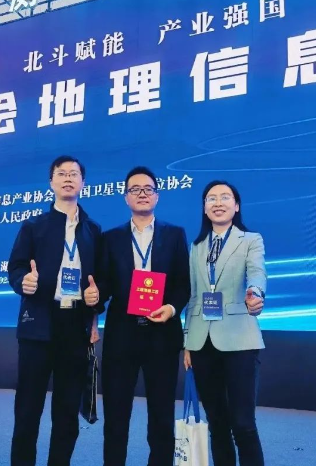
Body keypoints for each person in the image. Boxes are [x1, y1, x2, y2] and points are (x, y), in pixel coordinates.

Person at [8, 155, 103, 466]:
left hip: (74, 327)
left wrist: (96, 301)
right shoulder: (33, 226)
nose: (68, 178)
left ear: (83, 183)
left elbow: (100, 281)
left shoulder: (93, 230)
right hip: (38, 324)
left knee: (66, 413)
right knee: (27, 410)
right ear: (51, 182)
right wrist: (24, 281)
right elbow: (16, 267)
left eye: (74, 174)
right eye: (61, 173)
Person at [94, 166, 191, 466]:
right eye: (135, 189)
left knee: (161, 415)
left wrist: (171, 308)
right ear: (126, 198)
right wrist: (95, 296)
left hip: (162, 334)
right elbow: (105, 284)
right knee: (116, 415)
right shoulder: (110, 238)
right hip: (121, 335)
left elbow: (183, 283)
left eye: (148, 189)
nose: (142, 194)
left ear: (157, 196)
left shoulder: (175, 235)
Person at [183, 180, 267, 466]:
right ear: (204, 208)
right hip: (201, 342)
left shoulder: (250, 240)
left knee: (243, 423)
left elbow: (257, 273)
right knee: (217, 422)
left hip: (240, 339)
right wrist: (187, 342)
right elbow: (193, 296)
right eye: (211, 198)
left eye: (225, 197)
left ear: (237, 205)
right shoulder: (196, 247)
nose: (218, 203)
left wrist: (256, 292)